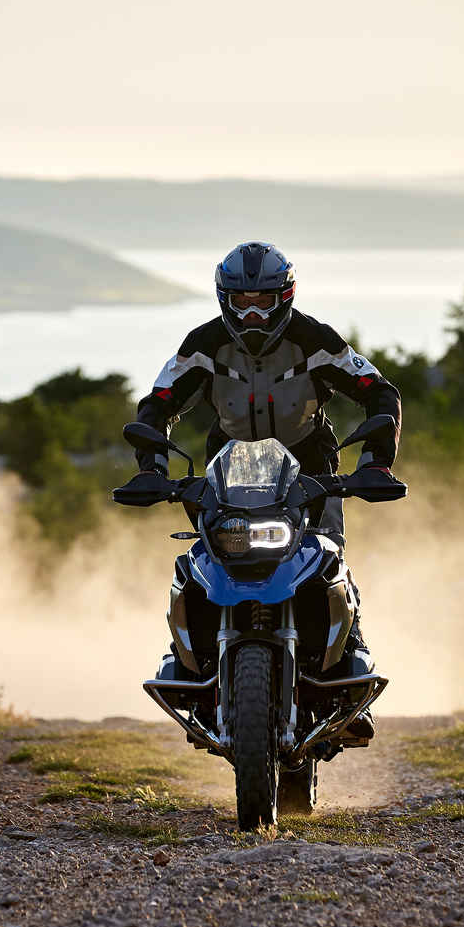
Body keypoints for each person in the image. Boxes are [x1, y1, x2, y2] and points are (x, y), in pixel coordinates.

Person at [126, 241, 402, 739]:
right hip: (225, 471)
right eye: (241, 301)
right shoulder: (203, 345)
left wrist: (376, 464)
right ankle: (190, 660)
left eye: (264, 301)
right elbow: (158, 403)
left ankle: (349, 669)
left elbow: (380, 392)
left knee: (328, 555)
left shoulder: (316, 339)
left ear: (286, 296)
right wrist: (151, 469)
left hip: (310, 469)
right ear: (223, 299)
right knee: (207, 561)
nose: (252, 313)